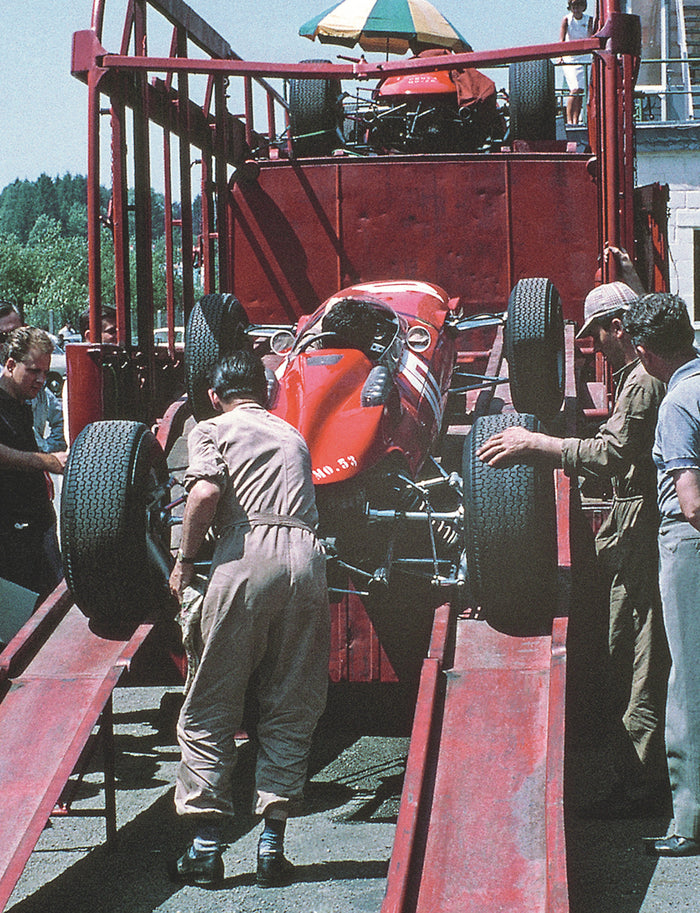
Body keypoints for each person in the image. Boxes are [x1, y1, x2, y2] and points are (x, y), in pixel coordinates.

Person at [477, 266, 669, 817]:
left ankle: (642, 786)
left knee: (640, 656)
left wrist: (537, 444)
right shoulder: (641, 375)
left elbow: (612, 453)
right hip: (632, 531)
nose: (594, 346)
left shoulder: (642, 380)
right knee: (629, 649)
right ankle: (637, 775)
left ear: (618, 327)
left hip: (641, 533)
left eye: (597, 334)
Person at [168, 349, 330, 887]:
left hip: (247, 554)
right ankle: (270, 848)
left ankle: (205, 851)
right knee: (291, 702)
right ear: (265, 394)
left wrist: (185, 561)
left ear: (215, 395)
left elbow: (206, 492)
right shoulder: (293, 434)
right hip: (307, 560)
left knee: (212, 702)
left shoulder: (212, 428)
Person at [623, 293, 700, 856]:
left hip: (690, 547)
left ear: (646, 352)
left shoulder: (677, 404)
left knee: (689, 684)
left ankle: (689, 822)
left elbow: (691, 502)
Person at [0, 327, 68, 602]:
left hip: (36, 525)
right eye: (33, 371)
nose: (41, 380)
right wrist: (46, 461)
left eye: (45, 372)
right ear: (10, 365)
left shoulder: (23, 400)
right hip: (11, 534)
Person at [0, 300, 66, 453]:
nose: (10, 342)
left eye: (16, 333)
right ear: (11, 366)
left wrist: (48, 451)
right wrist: (41, 461)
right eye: (3, 337)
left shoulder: (34, 385)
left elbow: (60, 419)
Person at [560, 0, 594, 125]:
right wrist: (560, 56)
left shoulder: (589, 20)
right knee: (574, 88)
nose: (576, 8)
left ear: (583, 6)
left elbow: (590, 38)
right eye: (573, 5)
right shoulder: (566, 20)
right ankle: (569, 120)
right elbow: (562, 40)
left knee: (581, 90)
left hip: (584, 57)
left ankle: (576, 119)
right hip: (571, 57)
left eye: (579, 5)